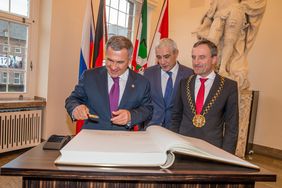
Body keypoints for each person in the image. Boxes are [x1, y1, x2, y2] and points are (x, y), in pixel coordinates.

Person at [65, 35, 153, 130]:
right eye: (110, 60)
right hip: (93, 136)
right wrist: (76, 109)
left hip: (124, 139)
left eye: (120, 62)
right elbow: (72, 99)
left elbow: (147, 109)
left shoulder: (142, 82)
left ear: (129, 60)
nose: (113, 67)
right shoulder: (89, 76)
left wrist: (131, 116)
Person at [170, 39, 238, 153]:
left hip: (212, 149)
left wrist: (227, 156)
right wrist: (173, 145)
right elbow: (176, 117)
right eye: (193, 57)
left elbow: (232, 127)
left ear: (214, 59)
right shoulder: (184, 83)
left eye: (201, 57)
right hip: (184, 147)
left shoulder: (228, 86)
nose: (196, 62)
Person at [143, 38, 193, 129]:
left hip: (177, 130)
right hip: (152, 128)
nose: (162, 62)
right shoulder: (148, 73)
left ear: (176, 53)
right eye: (159, 57)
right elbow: (143, 103)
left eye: (166, 56)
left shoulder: (190, 74)